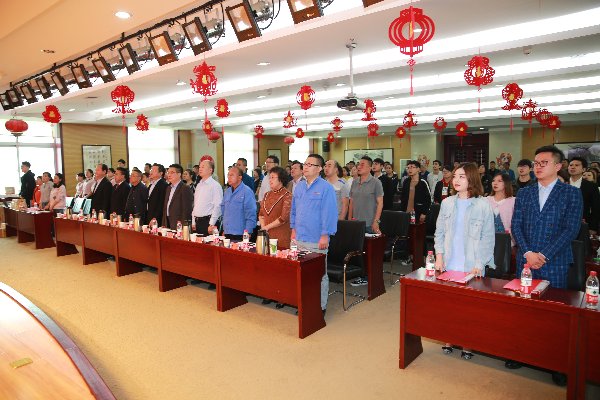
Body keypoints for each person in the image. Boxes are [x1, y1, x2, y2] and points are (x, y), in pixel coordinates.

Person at [508, 146, 583, 383]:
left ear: (558, 166)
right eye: (536, 163)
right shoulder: (525, 192)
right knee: (524, 310)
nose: (538, 167)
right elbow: (516, 225)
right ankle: (521, 353)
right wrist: (528, 253)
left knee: (554, 314)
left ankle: (556, 363)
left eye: (544, 163)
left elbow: (570, 229)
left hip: (555, 261)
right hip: (526, 260)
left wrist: (543, 254)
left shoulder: (571, 193)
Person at [434, 162, 495, 360]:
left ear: (472, 179)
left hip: (472, 265)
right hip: (449, 262)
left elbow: (488, 238)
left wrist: (480, 263)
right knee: (449, 305)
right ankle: (449, 339)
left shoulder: (483, 204)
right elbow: (439, 232)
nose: (456, 180)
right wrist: (439, 256)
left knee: (469, 308)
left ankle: (468, 344)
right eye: (455, 176)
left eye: (462, 176)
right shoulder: (447, 203)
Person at [290, 154, 337, 315]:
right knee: (300, 274)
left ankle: (320, 306)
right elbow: (294, 210)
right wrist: (293, 228)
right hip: (299, 237)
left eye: (310, 164)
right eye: (305, 164)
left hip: (316, 239)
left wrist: (325, 235)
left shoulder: (326, 188)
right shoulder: (299, 187)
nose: (306, 167)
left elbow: (329, 213)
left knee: (319, 275)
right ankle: (303, 303)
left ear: (319, 169)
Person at [348, 156, 384, 287]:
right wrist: (349, 219)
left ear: (370, 167)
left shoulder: (376, 182)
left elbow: (380, 203)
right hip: (356, 223)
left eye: (362, 164)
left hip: (369, 223)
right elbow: (351, 202)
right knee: (358, 252)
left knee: (369, 253)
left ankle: (368, 277)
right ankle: (361, 274)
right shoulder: (354, 182)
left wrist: (376, 221)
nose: (359, 166)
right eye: (358, 164)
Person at [259, 166, 292, 248]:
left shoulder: (287, 195)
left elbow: (283, 218)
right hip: (266, 234)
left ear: (281, 179)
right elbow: (261, 214)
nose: (270, 180)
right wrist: (263, 228)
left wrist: (266, 227)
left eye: (273, 177)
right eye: (269, 178)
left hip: (281, 235)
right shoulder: (267, 194)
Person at [221, 166, 256, 240]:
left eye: (232, 175)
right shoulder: (227, 192)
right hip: (228, 232)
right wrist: (224, 229)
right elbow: (224, 211)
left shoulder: (247, 191)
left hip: (241, 233)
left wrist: (248, 231)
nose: (229, 177)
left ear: (240, 177)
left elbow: (251, 213)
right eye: (228, 175)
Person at [568, 157, 600, 234]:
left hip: (582, 223)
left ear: (583, 169)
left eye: (576, 165)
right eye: (571, 165)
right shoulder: (561, 183)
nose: (573, 167)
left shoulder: (591, 186)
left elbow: (596, 208)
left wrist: (593, 227)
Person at [192, 159, 223, 235]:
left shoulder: (215, 185)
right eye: (200, 167)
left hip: (208, 222)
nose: (200, 169)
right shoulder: (199, 185)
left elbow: (218, 205)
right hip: (197, 221)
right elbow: (195, 204)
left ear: (210, 170)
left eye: (203, 167)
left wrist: (211, 224)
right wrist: (193, 221)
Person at [162, 164, 194, 230]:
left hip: (178, 224)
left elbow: (187, 210)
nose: (169, 175)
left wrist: (183, 226)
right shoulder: (168, 188)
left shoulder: (185, 188)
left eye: (172, 172)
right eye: (168, 172)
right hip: (167, 222)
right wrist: (164, 223)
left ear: (179, 174)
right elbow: (166, 208)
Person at [487, 174, 516, 244]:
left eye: (500, 181)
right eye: (493, 181)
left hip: (507, 241)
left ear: (506, 183)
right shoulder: (486, 200)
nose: (495, 183)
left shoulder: (513, 201)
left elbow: (516, 224)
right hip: (488, 241)